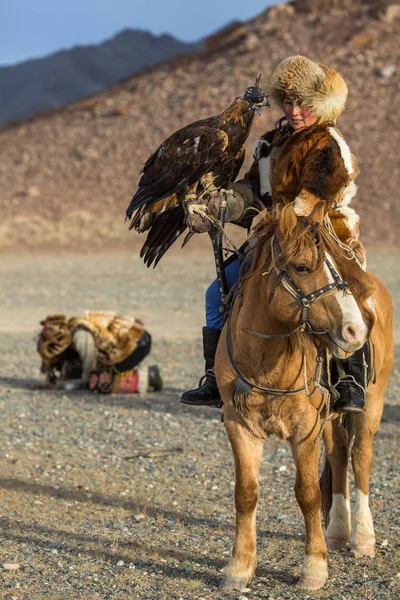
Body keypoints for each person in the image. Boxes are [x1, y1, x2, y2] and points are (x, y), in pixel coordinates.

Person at [180, 55, 369, 414]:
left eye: (304, 103)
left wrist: (295, 213)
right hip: (274, 237)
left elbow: (321, 188)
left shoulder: (328, 143)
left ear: (319, 104)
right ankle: (214, 377)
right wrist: (223, 204)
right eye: (289, 102)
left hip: (325, 232)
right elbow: (254, 188)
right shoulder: (269, 145)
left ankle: (349, 379)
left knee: (353, 298)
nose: (295, 111)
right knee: (215, 292)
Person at [37, 311, 163, 393]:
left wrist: (86, 379)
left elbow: (89, 357)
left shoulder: (80, 337)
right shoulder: (75, 330)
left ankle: (149, 376)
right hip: (132, 340)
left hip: (136, 341)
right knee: (95, 374)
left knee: (102, 381)